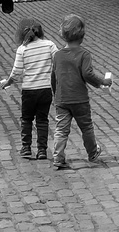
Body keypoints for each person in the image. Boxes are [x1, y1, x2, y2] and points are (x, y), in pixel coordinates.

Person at [48, 14, 113, 169]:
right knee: (86, 127)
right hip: (80, 99)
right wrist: (102, 82)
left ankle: (58, 156)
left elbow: (53, 76)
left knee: (61, 130)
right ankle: (92, 152)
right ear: (82, 35)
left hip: (62, 99)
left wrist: (56, 94)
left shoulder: (57, 55)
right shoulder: (84, 54)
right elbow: (87, 74)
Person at [0, 17, 57, 160]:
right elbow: (58, 62)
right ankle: (42, 150)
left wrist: (8, 83)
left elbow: (16, 72)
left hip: (29, 90)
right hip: (45, 89)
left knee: (26, 119)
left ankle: (26, 147)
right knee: (42, 120)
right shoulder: (49, 45)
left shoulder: (22, 49)